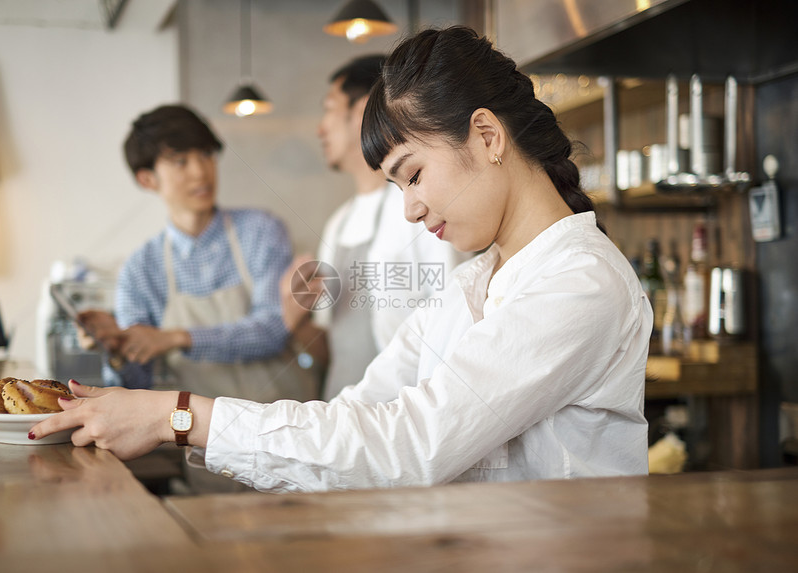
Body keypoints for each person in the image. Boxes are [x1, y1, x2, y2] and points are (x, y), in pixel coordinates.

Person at [32, 27, 652, 492]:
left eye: (413, 175)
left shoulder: (578, 284)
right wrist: (176, 418)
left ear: (487, 136)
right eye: (397, 188)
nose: (410, 209)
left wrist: (180, 416)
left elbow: (411, 444)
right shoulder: (471, 285)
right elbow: (352, 417)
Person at [78, 104, 316, 403]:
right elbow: (136, 385)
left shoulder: (261, 230)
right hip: (204, 437)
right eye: (181, 161)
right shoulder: (140, 269)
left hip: (286, 416)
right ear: (147, 179)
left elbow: (273, 330)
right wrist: (115, 350)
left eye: (206, 155)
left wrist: (175, 338)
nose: (201, 172)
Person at [282, 55, 463, 401]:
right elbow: (329, 353)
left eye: (329, 109)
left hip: (404, 418)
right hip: (344, 415)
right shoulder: (338, 223)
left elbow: (455, 324)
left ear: (363, 109)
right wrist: (297, 320)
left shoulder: (424, 210)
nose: (320, 128)